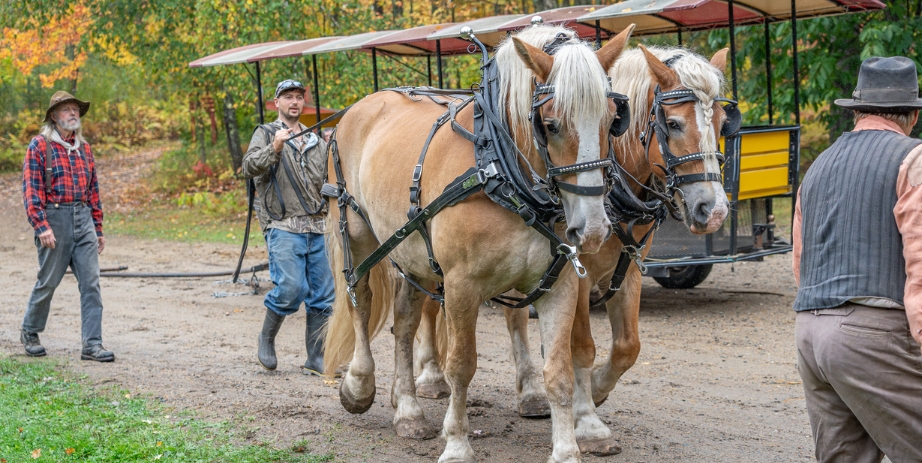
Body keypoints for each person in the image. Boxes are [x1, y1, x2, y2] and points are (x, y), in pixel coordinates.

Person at [793, 56, 922, 462]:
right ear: (913, 115)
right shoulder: (913, 159)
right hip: (872, 334)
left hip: (810, 334)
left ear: (857, 109)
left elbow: (801, 260)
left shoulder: (818, 167)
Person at [242, 79, 335, 375]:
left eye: (298, 97)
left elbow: (327, 182)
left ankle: (315, 357)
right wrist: (275, 148)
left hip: (318, 228)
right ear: (277, 103)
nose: (294, 102)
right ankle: (266, 339)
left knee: (323, 296)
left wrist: (333, 150)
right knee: (291, 288)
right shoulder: (266, 133)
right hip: (282, 226)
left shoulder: (317, 141)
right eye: (288, 97)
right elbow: (248, 166)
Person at [20, 91, 113, 362]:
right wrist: (41, 226)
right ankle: (30, 330)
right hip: (54, 219)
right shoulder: (39, 146)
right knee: (48, 282)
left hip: (83, 218)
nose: (73, 113)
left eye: (75, 109)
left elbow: (93, 190)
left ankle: (92, 344)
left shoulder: (84, 148)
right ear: (53, 116)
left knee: (91, 283)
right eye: (66, 110)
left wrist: (98, 227)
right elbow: (31, 190)